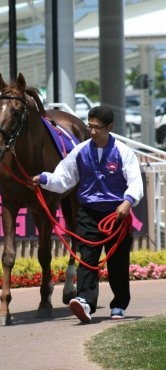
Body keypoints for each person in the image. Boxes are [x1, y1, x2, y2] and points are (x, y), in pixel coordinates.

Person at [31, 106, 143, 323]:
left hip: (116, 214)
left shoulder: (123, 152)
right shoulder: (80, 150)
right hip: (88, 212)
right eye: (89, 126)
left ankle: (119, 304)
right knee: (87, 259)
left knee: (118, 263)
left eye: (96, 128)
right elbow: (64, 176)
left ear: (109, 128)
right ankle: (85, 302)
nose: (91, 131)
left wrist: (128, 202)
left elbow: (135, 182)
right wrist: (45, 179)